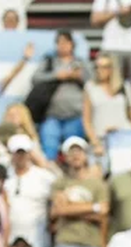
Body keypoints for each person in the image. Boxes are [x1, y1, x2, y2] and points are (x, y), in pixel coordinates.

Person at [49, 137, 110, 247]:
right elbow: (59, 210)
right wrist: (93, 207)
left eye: (79, 151)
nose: (76, 155)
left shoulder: (97, 184)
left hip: (92, 243)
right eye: (71, 152)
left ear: (85, 155)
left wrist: (70, 208)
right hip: (66, 241)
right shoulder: (59, 183)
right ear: (66, 157)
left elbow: (103, 214)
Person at [91, 0, 131, 127]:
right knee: (111, 86)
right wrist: (117, 12)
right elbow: (95, 19)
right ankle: (112, 124)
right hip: (112, 45)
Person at [33, 30, 90, 159]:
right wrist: (56, 76)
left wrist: (78, 76)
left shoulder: (81, 62)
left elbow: (92, 81)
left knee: (74, 149)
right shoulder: (49, 62)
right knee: (49, 147)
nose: (63, 45)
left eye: (66, 42)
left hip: (75, 114)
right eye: (60, 43)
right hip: (51, 115)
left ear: (72, 45)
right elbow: (35, 78)